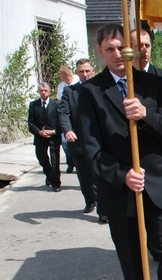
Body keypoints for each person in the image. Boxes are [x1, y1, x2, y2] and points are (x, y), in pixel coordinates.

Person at [79, 24, 162, 280]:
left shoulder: (156, 85)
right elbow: (90, 150)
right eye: (109, 49)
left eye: (121, 49)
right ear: (100, 51)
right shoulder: (89, 92)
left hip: (156, 184)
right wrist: (121, 174)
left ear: (133, 50)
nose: (116, 55)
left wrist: (144, 115)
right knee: (131, 260)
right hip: (119, 190)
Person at [58, 58, 98, 215]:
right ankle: (90, 202)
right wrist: (67, 129)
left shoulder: (100, 88)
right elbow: (63, 112)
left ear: (93, 71)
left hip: (98, 141)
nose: (85, 74)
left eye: (88, 71)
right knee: (84, 176)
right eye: (81, 71)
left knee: (99, 176)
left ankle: (103, 210)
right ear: (76, 73)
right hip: (78, 141)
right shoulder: (70, 91)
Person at [27, 82, 61, 191]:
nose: (43, 92)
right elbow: (31, 123)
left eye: (45, 90)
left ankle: (56, 183)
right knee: (42, 158)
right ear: (38, 92)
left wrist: (54, 131)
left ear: (50, 91)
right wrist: (39, 132)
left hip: (53, 137)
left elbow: (61, 122)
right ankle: (49, 175)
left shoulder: (56, 105)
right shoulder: (34, 105)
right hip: (40, 137)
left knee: (55, 160)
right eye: (41, 90)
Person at [56, 65, 76, 174]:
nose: (60, 76)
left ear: (66, 75)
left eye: (61, 74)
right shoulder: (61, 86)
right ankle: (70, 162)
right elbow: (59, 101)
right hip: (66, 116)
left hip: (76, 116)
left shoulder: (77, 82)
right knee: (65, 141)